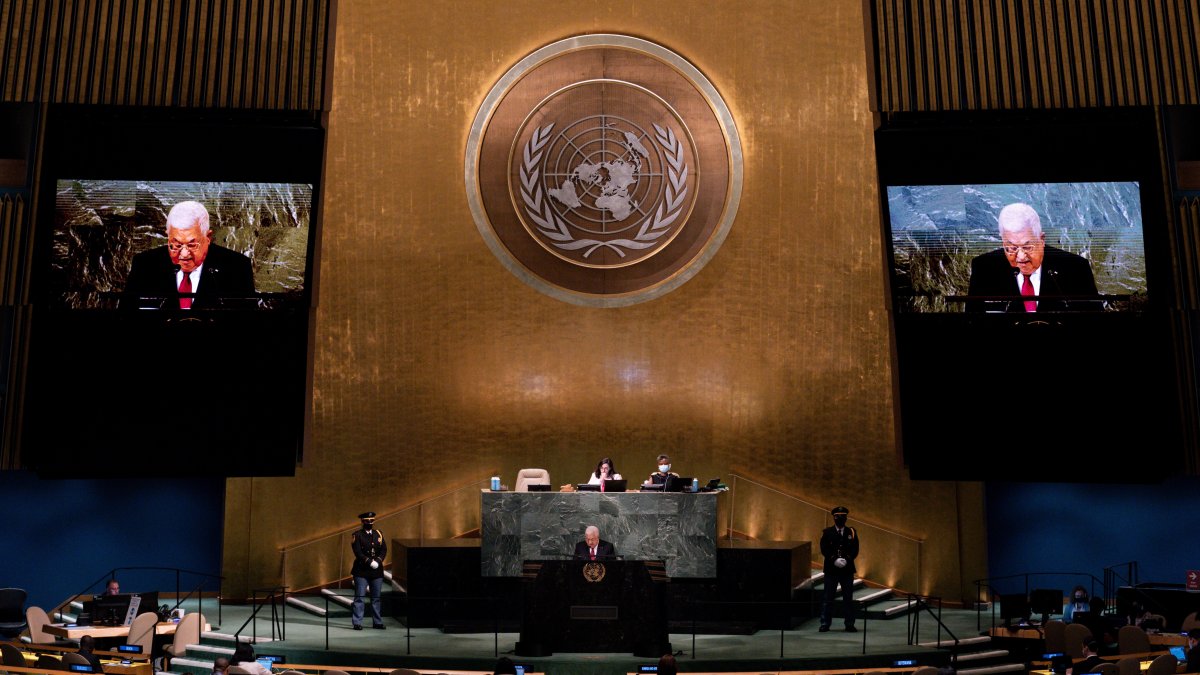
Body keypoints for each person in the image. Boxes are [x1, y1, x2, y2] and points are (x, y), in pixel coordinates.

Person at [965, 202, 1100, 313]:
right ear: (1003, 242)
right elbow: (972, 321)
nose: (1021, 257)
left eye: (1027, 247)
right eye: (1011, 248)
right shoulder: (984, 268)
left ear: (1041, 240)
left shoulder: (1075, 268)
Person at [123, 200, 255, 310]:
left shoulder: (237, 268)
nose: (184, 254)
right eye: (176, 245)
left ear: (208, 237)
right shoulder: (145, 265)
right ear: (168, 237)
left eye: (192, 245)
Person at [818, 505, 860, 633]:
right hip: (832, 570)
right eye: (838, 517)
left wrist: (847, 559)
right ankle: (825, 623)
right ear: (834, 518)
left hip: (846, 570)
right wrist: (834, 559)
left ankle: (849, 623)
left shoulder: (851, 532)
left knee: (848, 598)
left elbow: (855, 549)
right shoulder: (827, 532)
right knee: (828, 598)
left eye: (842, 517)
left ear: (846, 518)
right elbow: (824, 548)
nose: (840, 519)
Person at [351, 511, 387, 630]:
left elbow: (383, 550)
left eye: (371, 521)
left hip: (376, 571)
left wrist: (378, 560)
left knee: (376, 598)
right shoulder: (357, 535)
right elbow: (358, 552)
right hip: (362, 570)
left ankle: (377, 622)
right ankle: (357, 622)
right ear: (362, 522)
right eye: (367, 521)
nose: (370, 523)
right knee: (360, 597)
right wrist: (368, 561)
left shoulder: (378, 534)